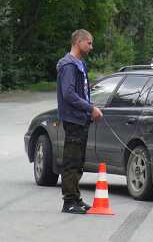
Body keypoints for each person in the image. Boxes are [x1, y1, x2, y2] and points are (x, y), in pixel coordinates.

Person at [56, 29, 103, 214]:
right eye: (89, 43)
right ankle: (68, 202)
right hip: (73, 119)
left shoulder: (80, 64)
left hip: (81, 120)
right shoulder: (68, 65)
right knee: (71, 161)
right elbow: (69, 94)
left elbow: (81, 92)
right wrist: (90, 108)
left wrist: (90, 109)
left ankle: (76, 198)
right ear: (78, 41)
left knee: (79, 160)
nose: (91, 47)